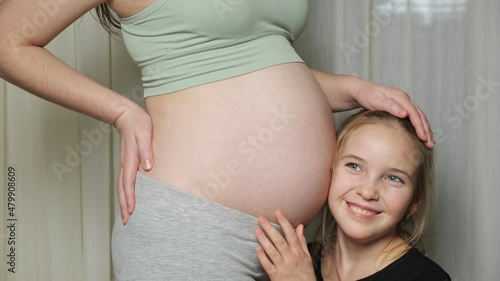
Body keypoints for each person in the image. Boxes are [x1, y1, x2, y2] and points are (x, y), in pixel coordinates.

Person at [0, 1, 434, 280]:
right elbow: (7, 38)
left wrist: (353, 88)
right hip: (190, 225)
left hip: (290, 241)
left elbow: (254, 65)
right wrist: (121, 111)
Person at [254, 110, 451, 281]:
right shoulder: (296, 262)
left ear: (414, 201)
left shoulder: (426, 277)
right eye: (354, 166)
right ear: (329, 172)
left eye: (393, 178)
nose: (367, 192)